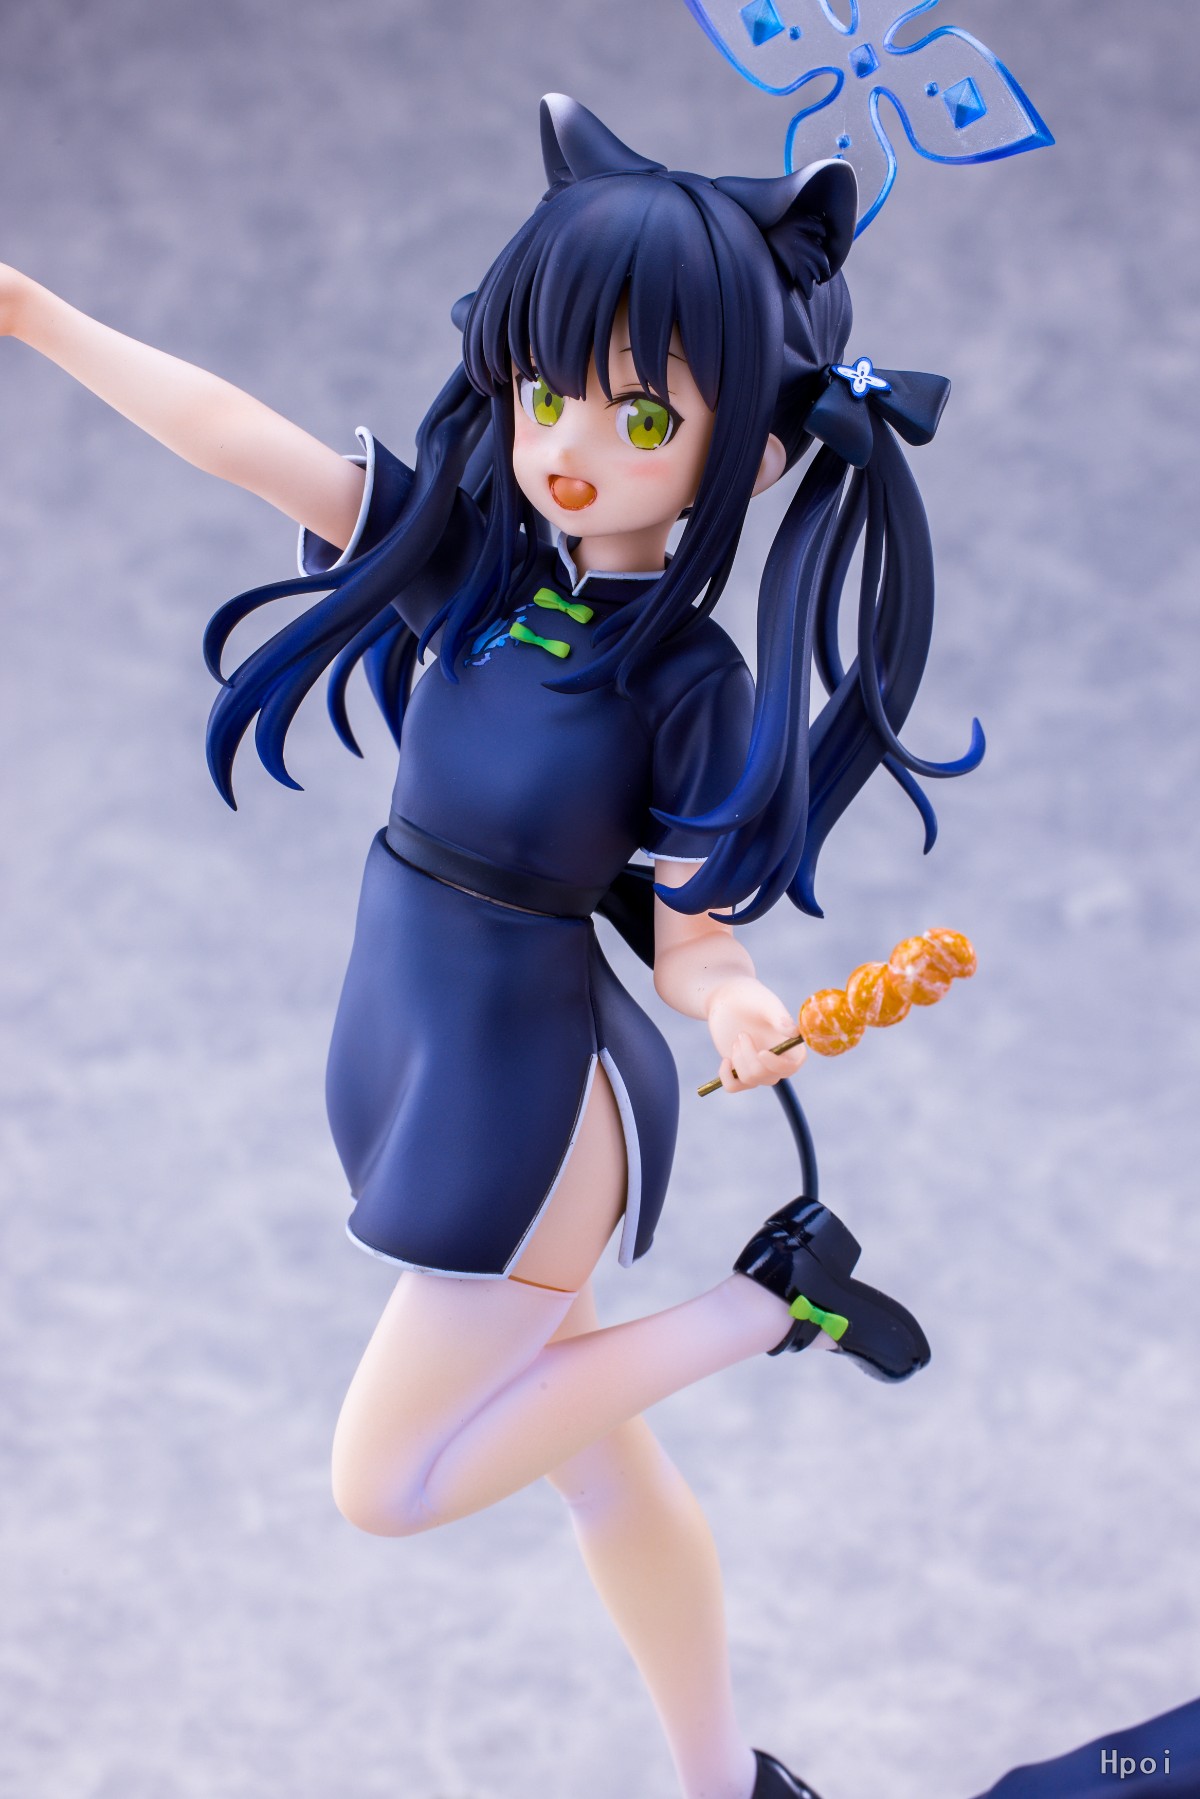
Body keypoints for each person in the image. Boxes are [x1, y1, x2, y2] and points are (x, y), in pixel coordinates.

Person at [0, 94, 980, 1799]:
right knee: (599, 1462)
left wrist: (738, 999)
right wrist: (34, 313)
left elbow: (693, 937)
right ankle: (727, 1782)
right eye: (546, 392)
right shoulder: (466, 564)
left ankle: (768, 1309)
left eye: (642, 413)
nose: (571, 445)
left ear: (755, 451)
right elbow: (245, 442)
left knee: (387, 1483)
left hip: (522, 1095)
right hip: (415, 1033)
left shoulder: (686, 680)